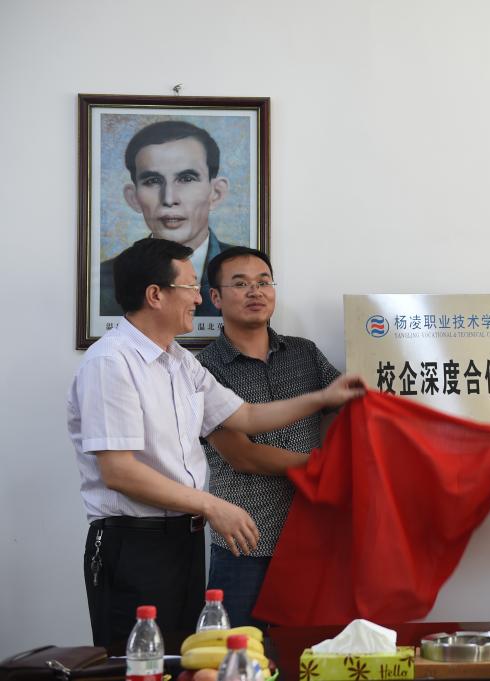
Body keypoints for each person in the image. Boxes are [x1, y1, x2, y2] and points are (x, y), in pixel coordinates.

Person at [68, 237, 365, 646]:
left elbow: (246, 416)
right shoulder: (111, 362)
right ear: (155, 295)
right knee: (139, 661)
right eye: (190, 288)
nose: (197, 299)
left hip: (183, 539)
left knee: (188, 658)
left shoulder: (179, 361)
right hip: (133, 541)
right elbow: (119, 471)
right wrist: (211, 504)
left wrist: (322, 398)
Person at [196, 246, 341, 627]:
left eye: (263, 282)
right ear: (215, 297)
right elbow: (242, 455)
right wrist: (325, 466)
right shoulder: (203, 369)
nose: (255, 292)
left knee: (309, 651)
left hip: (311, 534)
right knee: (239, 652)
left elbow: (351, 407)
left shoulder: (304, 353)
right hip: (246, 541)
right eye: (240, 284)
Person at [100, 120, 238, 317]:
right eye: (152, 181)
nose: (169, 198)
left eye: (187, 179)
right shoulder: (104, 279)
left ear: (215, 193)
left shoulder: (244, 272)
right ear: (133, 197)